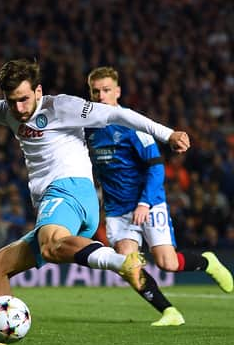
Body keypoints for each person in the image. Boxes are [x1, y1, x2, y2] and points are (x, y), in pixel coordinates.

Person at [0, 31, 190, 345]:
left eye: (24, 99)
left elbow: (119, 114)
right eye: (12, 100)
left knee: (49, 246)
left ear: (38, 91)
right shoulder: (7, 110)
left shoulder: (63, 107)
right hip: (57, 205)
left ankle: (120, 262)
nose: (18, 108)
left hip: (71, 191)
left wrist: (167, 133)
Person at [86, 66, 233, 326]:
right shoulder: (89, 128)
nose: (101, 96)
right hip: (117, 210)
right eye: (95, 91)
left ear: (117, 91)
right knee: (129, 267)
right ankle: (169, 312)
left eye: (106, 90)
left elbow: (156, 166)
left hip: (148, 203)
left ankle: (207, 262)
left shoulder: (131, 123)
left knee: (167, 263)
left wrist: (144, 202)